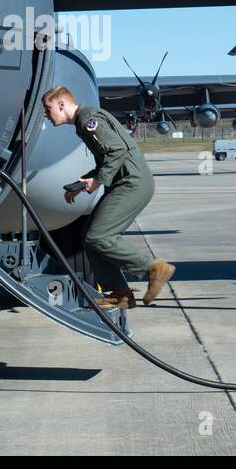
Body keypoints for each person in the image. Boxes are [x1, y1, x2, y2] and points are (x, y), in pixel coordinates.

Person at [41, 85, 174, 309]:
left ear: (61, 104)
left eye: (48, 108)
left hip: (132, 183)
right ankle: (121, 294)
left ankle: (152, 267)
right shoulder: (84, 122)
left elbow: (117, 151)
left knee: (98, 236)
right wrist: (84, 182)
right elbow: (108, 160)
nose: (46, 115)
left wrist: (97, 181)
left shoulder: (88, 120)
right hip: (126, 182)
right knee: (88, 236)